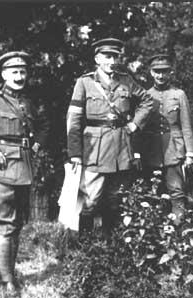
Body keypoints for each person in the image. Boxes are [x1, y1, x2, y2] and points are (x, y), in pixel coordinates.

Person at [0, 51, 49, 294]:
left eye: (22, 71)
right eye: (14, 72)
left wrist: (37, 144)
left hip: (23, 168)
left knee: (16, 224)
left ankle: (10, 274)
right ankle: (7, 282)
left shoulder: (26, 102)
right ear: (4, 75)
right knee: (6, 224)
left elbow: (44, 124)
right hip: (0, 168)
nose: (19, 76)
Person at [66, 38, 154, 238]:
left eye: (115, 56)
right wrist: (75, 153)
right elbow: (73, 120)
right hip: (94, 149)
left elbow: (147, 101)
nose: (112, 61)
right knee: (90, 199)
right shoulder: (84, 82)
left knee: (116, 199)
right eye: (107, 56)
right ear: (97, 58)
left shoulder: (126, 80)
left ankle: (110, 248)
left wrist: (135, 123)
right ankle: (84, 248)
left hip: (121, 148)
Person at [135, 54, 193, 222]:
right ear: (150, 72)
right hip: (151, 150)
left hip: (174, 150)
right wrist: (138, 153)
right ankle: (156, 232)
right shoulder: (145, 95)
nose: (160, 76)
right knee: (153, 193)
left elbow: (186, 126)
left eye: (164, 71)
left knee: (177, 192)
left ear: (171, 72)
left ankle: (178, 233)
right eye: (157, 72)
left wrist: (190, 154)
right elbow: (140, 128)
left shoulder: (179, 95)